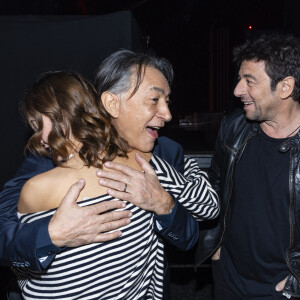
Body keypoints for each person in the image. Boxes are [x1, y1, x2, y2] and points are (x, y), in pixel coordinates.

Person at [12, 55, 218, 298]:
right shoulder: (39, 169)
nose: (168, 114)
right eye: (154, 99)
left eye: (166, 100)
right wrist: (50, 236)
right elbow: (13, 243)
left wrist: (164, 203)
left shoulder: (158, 155)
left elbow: (195, 227)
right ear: (110, 103)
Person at [195, 33, 300, 300]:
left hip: (280, 289)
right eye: (240, 78)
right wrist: (216, 247)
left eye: (249, 81)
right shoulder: (233, 127)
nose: (237, 90)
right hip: (228, 277)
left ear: (285, 87)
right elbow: (216, 185)